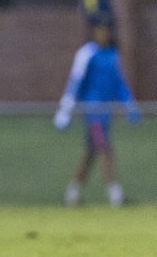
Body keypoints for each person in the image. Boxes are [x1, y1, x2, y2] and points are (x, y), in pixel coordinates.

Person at [53, 14, 140, 207]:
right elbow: (75, 83)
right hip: (92, 111)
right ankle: (116, 195)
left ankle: (72, 194)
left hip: (106, 111)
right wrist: (65, 110)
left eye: (108, 30)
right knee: (104, 148)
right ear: (94, 32)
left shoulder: (112, 55)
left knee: (90, 152)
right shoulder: (86, 54)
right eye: (102, 30)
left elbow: (120, 84)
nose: (105, 33)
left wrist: (129, 105)